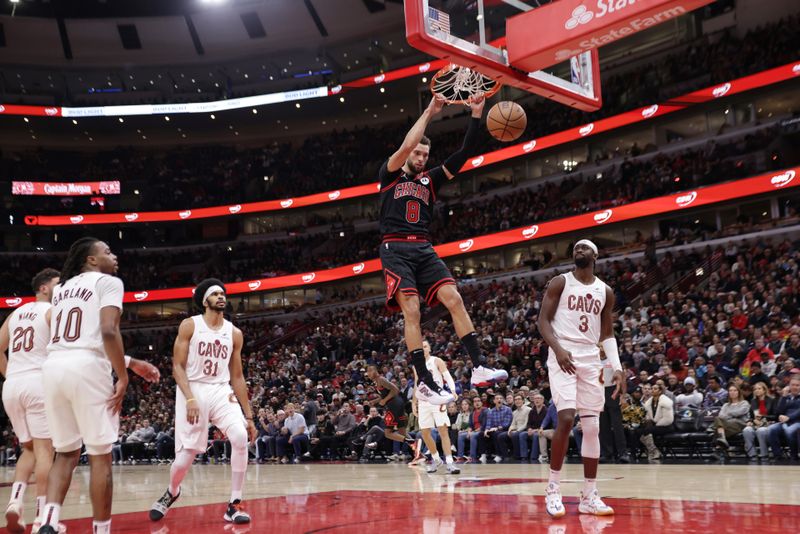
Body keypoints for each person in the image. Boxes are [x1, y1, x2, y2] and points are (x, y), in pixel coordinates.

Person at [377, 91, 506, 404]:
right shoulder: (390, 174)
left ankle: (478, 366)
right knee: (413, 310)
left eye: (425, 155)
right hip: (395, 249)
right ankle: (423, 380)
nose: (421, 158)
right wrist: (431, 111)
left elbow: (464, 153)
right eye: (418, 154)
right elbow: (407, 145)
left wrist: (476, 114)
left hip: (423, 248)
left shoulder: (429, 181)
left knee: (454, 298)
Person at [36, 238, 129, 534]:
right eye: (107, 251)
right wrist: (123, 375)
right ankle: (101, 530)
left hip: (52, 367)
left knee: (65, 453)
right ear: (91, 259)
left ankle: (49, 521)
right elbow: (108, 330)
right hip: (87, 365)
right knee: (100, 455)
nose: (114, 256)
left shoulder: (61, 289)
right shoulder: (108, 282)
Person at [150, 278, 256, 525]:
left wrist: (249, 416)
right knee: (184, 459)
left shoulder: (234, 333)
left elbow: (238, 377)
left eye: (223, 293)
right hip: (193, 388)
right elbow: (177, 366)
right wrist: (189, 398)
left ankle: (235, 503)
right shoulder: (190, 326)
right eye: (215, 293)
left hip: (220, 389)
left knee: (240, 437)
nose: (221, 296)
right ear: (204, 300)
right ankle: (172, 492)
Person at [538, 240, 623, 518]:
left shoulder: (605, 291)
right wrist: (559, 349)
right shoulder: (560, 282)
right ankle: (553, 488)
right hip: (563, 354)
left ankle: (589, 495)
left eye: (585, 248)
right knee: (565, 418)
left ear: (595, 256)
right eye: (575, 248)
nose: (579, 251)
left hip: (590, 359)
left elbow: (607, 333)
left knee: (592, 427)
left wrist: (617, 367)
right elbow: (543, 321)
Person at [411, 341, 460, 473]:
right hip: (423, 401)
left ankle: (450, 462)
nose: (423, 349)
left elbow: (447, 376)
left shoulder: (436, 361)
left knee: (443, 431)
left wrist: (453, 390)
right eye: (421, 347)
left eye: (425, 346)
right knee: (425, 433)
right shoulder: (416, 365)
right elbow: (417, 383)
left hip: (437, 400)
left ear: (430, 348)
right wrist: (413, 402)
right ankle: (436, 459)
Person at [366, 365, 416, 452]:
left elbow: (395, 390)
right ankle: (418, 452)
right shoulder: (377, 381)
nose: (368, 374)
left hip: (394, 405)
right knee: (402, 432)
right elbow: (385, 395)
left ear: (375, 371)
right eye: (367, 372)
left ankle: (410, 441)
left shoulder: (381, 379)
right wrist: (375, 401)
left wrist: (384, 400)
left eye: (370, 371)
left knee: (388, 433)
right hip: (398, 405)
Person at [638, 384, 675, 461]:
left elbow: (667, 419)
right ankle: (654, 451)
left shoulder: (666, 402)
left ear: (660, 391)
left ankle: (653, 451)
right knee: (639, 431)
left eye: (655, 389)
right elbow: (648, 417)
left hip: (667, 426)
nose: (653, 390)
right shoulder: (649, 402)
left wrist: (655, 425)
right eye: (652, 388)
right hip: (656, 426)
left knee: (647, 431)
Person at [743, 381, 777, 460]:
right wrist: (749, 421)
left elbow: (775, 416)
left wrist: (763, 417)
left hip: (768, 423)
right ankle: (752, 454)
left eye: (759, 388)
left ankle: (764, 454)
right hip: (756, 424)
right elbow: (751, 416)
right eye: (755, 389)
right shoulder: (753, 401)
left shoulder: (772, 400)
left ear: (764, 390)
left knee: (761, 430)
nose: (756, 390)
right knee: (746, 430)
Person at [711, 384, 750, 451]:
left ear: (738, 392)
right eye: (730, 391)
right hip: (727, 425)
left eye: (735, 390)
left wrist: (728, 414)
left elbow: (739, 412)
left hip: (739, 424)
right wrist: (731, 416)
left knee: (718, 429)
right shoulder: (725, 405)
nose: (732, 392)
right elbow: (721, 416)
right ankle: (722, 440)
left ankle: (717, 449)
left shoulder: (744, 403)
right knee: (717, 419)